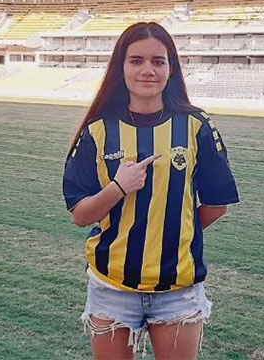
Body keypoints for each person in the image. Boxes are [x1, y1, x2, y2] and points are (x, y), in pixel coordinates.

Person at [62, 22, 239, 359]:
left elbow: (217, 205)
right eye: (136, 60)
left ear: (171, 69)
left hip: (178, 289)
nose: (148, 70)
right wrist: (118, 187)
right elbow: (80, 216)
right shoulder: (97, 131)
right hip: (112, 285)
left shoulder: (197, 125)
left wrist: (168, 234)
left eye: (158, 61)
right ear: (121, 67)